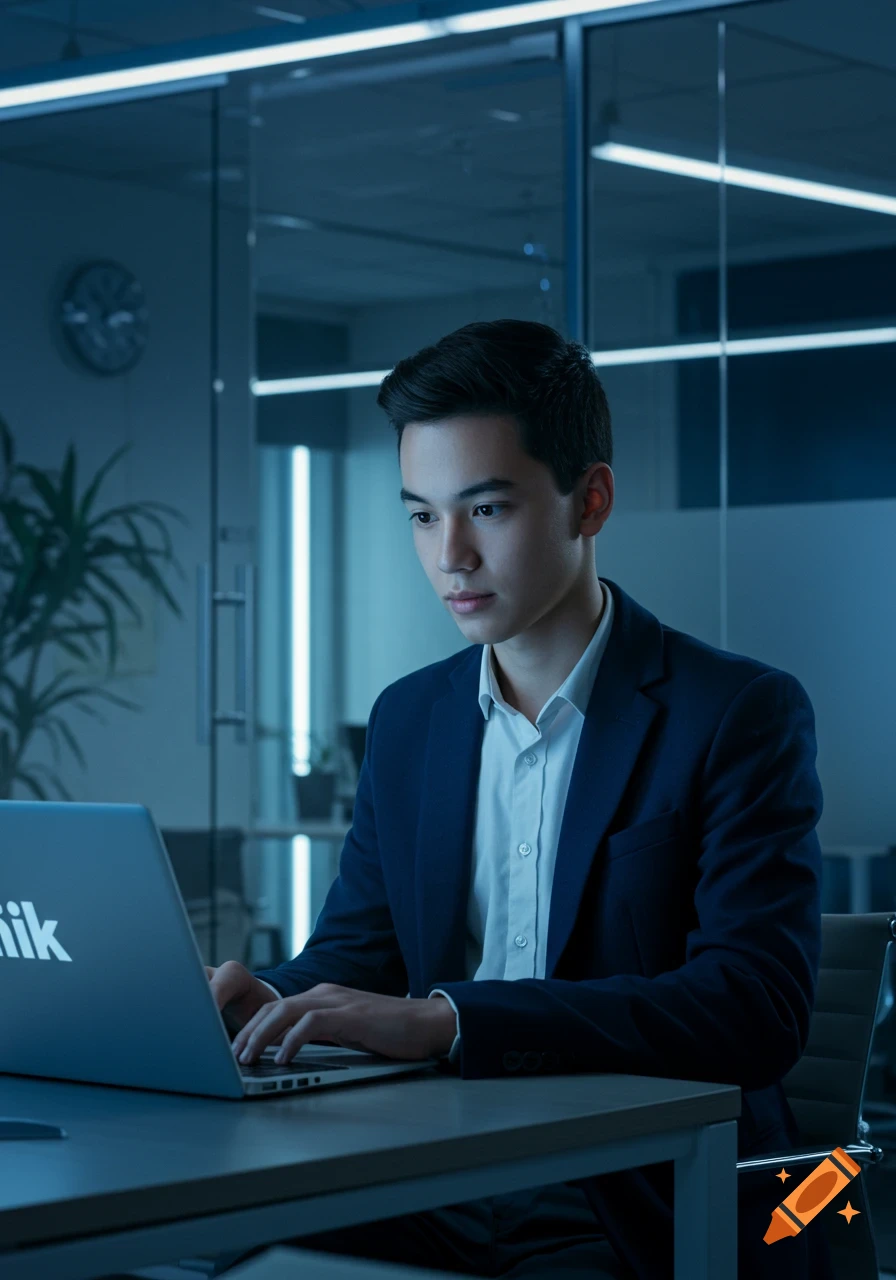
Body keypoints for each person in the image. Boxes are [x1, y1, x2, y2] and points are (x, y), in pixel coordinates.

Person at [206, 320, 835, 1279]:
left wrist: (456, 1019)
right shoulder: (411, 719)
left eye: (486, 510)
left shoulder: (735, 713)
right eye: (421, 515)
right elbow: (358, 954)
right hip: (427, 1173)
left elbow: (754, 1008)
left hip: (634, 1193)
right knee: (210, 1256)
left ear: (591, 500)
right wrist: (273, 1001)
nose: (449, 555)